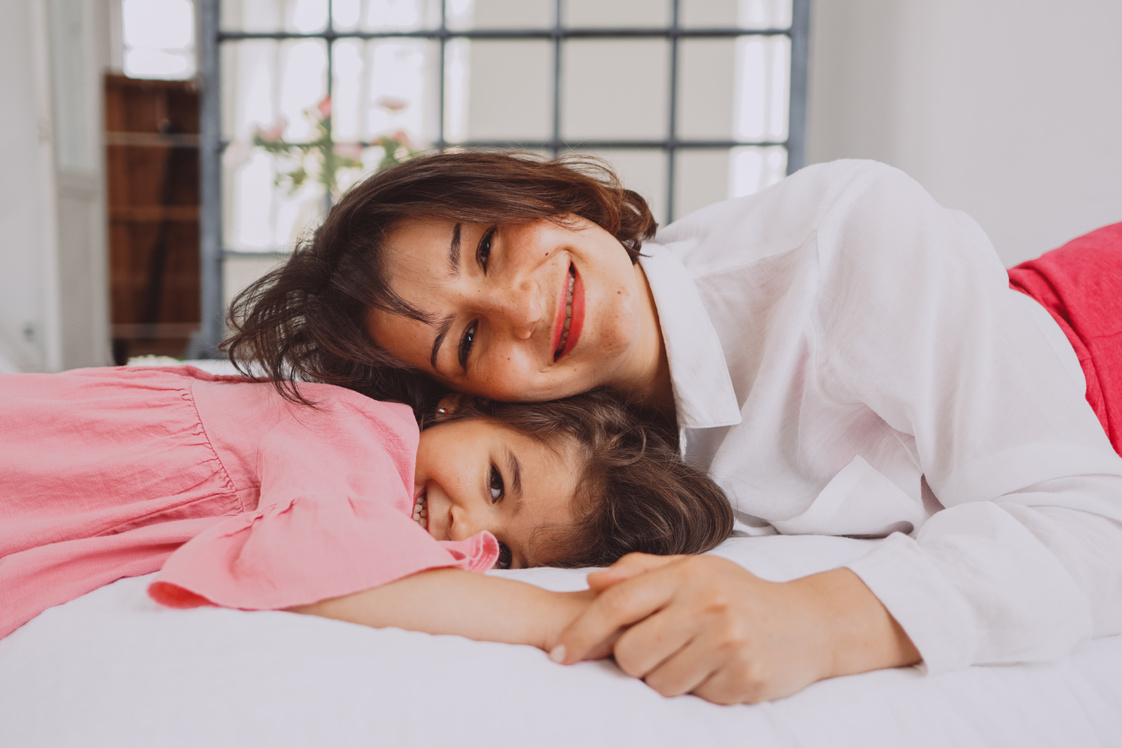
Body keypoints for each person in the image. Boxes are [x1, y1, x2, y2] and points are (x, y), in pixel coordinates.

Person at [225, 151, 1122, 704]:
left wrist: (818, 619)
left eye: (489, 247)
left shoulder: (845, 239)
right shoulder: (577, 470)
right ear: (464, 401)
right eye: (466, 340)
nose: (522, 306)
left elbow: (1091, 521)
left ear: (543, 195)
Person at [0, 364, 733, 643]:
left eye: (505, 552)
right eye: (496, 482)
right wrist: (569, 616)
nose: (465, 524)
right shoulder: (350, 428)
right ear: (460, 404)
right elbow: (318, 556)